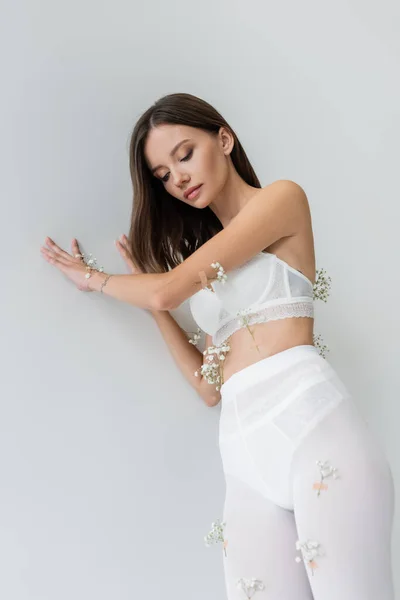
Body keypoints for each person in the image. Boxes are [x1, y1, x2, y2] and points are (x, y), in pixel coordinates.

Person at [40, 92, 395, 599]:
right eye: (163, 174)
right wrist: (157, 305)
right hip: (243, 456)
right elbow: (209, 387)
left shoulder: (282, 199)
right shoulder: (205, 266)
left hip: (315, 429)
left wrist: (96, 279)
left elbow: (168, 285)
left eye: (184, 154)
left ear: (223, 139)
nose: (177, 178)